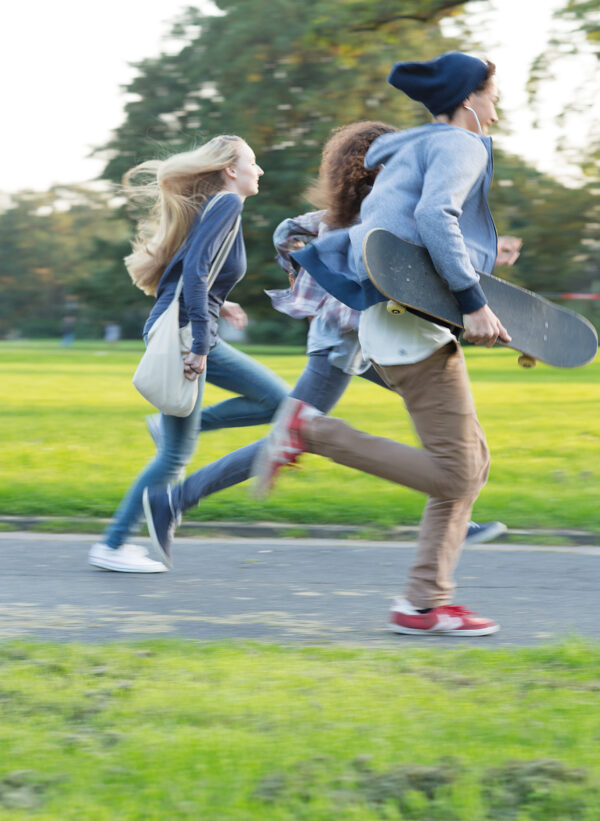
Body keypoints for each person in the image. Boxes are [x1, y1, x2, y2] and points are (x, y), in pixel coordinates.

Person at [142, 121, 511, 569]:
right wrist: (309, 268)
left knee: (446, 420)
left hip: (376, 345)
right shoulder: (365, 216)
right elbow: (290, 232)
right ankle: (175, 498)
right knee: (290, 435)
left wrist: (485, 257)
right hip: (342, 348)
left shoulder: (376, 211)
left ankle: (455, 509)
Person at [253, 53, 511, 636]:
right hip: (408, 322)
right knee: (456, 474)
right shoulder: (459, 145)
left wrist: (477, 303)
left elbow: (408, 229)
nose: (496, 108)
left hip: (393, 316)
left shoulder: (413, 147)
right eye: (493, 95)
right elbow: (435, 217)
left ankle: (425, 603)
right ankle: (309, 431)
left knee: (471, 465)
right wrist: (473, 303)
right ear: (469, 98)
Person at [88, 135, 289, 573]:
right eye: (252, 163)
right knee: (281, 403)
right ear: (231, 170)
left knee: (177, 452)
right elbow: (194, 274)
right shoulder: (226, 204)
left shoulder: (216, 206)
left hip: (183, 326)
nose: (259, 171)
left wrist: (223, 300)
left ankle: (114, 542)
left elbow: (190, 275)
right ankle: (112, 545)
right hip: (188, 335)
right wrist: (199, 345)